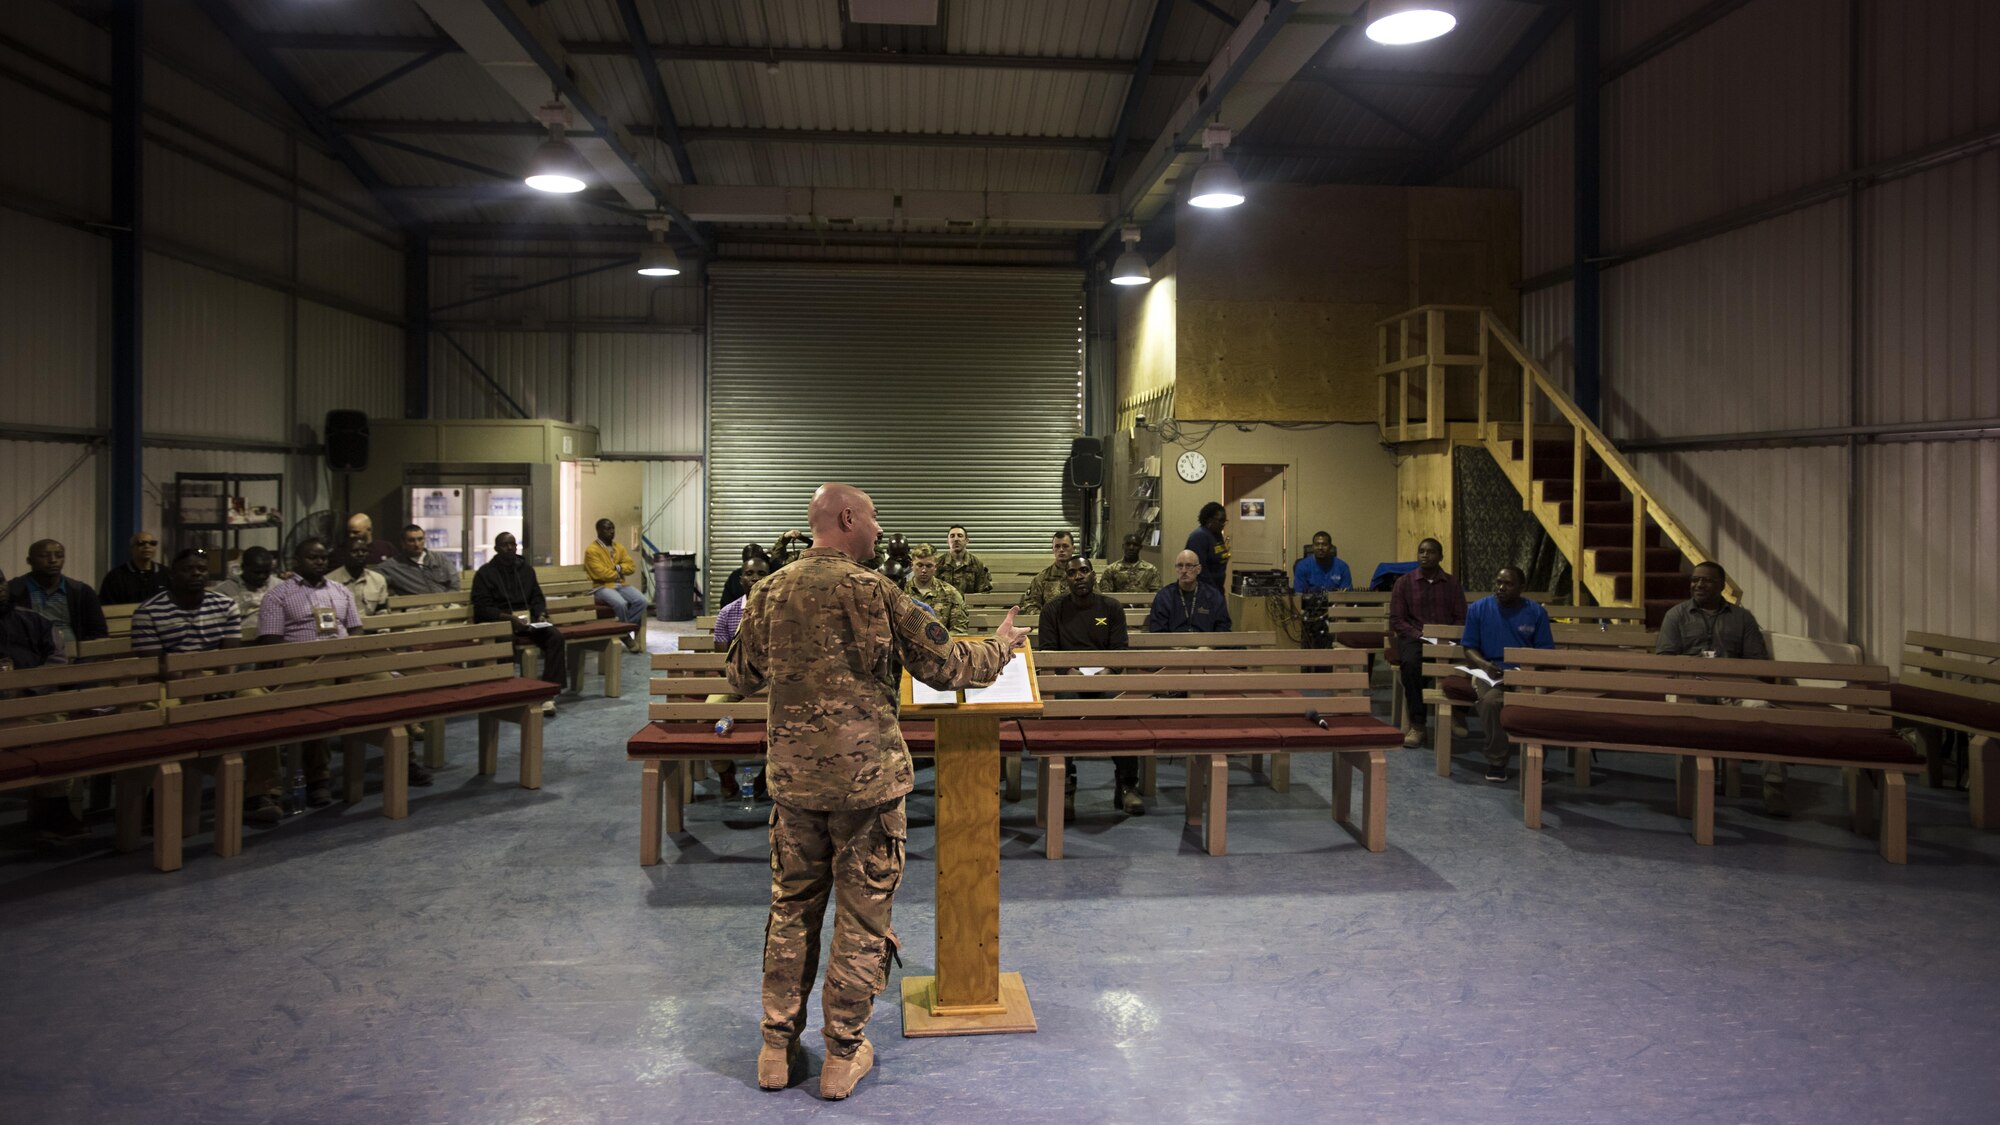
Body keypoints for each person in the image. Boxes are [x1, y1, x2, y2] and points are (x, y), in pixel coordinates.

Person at [727, 483, 1024, 1101]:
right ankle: (841, 1056)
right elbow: (947, 667)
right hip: (866, 791)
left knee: (791, 909)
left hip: (795, 786)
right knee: (862, 920)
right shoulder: (878, 593)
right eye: (874, 515)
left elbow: (740, 675)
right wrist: (1003, 645)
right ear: (847, 518)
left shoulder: (768, 590)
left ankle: (777, 1048)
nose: (879, 526)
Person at [257, 538, 431, 800]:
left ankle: (405, 762)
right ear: (296, 561)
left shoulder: (340, 591)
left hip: (345, 657)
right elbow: (271, 643)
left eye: (322, 558)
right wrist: (310, 659)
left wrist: (353, 654)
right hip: (304, 661)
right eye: (311, 558)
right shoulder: (278, 595)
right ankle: (319, 777)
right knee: (314, 700)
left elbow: (356, 631)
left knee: (390, 685)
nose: (319, 562)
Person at [132, 550, 285, 826]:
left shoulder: (225, 605)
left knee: (260, 703)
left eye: (202, 569)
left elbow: (229, 659)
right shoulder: (149, 611)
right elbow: (157, 666)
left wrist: (219, 685)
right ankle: (157, 795)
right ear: (172, 574)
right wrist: (199, 683)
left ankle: (260, 793)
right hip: (169, 686)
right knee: (157, 714)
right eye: (188, 569)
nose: (196, 574)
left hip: (217, 679)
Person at [1655, 560, 1784, 815]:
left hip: (1733, 686)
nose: (1699, 584)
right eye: (1695, 580)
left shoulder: (1742, 618)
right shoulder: (1676, 615)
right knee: (1687, 714)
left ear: (1721, 586)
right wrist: (1694, 667)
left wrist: (1729, 671)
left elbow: (1758, 662)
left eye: (1706, 580)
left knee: (1765, 710)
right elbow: (1665, 660)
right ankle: (1693, 785)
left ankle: (1775, 786)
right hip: (1690, 685)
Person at [1039, 556, 1139, 815]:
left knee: (1123, 707)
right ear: (1066, 579)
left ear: (1094, 575)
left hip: (1104, 677)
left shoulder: (1111, 608)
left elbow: (1119, 651)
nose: (1079, 576)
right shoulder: (1052, 610)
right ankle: (1066, 786)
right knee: (1064, 707)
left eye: (1084, 571)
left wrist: (1104, 674)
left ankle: (1127, 785)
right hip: (1068, 679)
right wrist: (1071, 673)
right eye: (1072, 573)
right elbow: (1049, 652)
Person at [1, 567, 85, 844]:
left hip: (32, 704)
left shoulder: (33, 620)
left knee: (55, 736)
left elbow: (57, 661)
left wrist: (29, 688)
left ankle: (54, 812)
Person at [1457, 566, 1556, 783]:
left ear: (1522, 587)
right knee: (1491, 702)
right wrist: (1485, 665)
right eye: (1499, 582)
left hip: (1525, 671)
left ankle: (1535, 763)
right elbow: (1469, 648)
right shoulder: (1478, 609)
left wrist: (1526, 671)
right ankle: (1497, 761)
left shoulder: (1536, 612)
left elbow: (1545, 652)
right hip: (1489, 671)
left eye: (1509, 584)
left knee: (1534, 703)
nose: (1501, 588)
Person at [472, 532, 566, 715]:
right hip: (501, 621)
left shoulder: (526, 570)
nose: (510, 548)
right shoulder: (485, 573)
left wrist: (540, 614)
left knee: (555, 636)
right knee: (504, 639)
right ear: (496, 548)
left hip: (527, 621)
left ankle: (549, 692)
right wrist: (509, 619)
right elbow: (482, 608)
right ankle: (507, 691)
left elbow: (537, 597)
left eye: (513, 544)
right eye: (505, 545)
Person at [1388, 537, 1466, 749]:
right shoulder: (1404, 583)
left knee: (1465, 662)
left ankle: (1457, 713)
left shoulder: (1452, 584)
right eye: (1421, 551)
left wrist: (1447, 636)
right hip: (1415, 638)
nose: (1425, 555)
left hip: (1446, 638)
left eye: (1430, 552)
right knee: (1412, 666)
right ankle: (1418, 725)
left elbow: (1461, 616)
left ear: (1440, 556)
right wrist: (1419, 635)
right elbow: (1397, 619)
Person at [708, 555, 772, 800]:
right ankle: (725, 772)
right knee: (708, 716)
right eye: (749, 573)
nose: (755, 578)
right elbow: (722, 661)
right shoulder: (728, 612)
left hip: (772, 681)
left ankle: (766, 775)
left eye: (762, 573)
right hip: (736, 681)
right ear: (740, 578)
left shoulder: (782, 609)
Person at [8, 539, 109, 649]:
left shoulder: (82, 591)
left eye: (59, 555)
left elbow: (99, 633)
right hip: (29, 657)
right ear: (29, 560)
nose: (53, 560)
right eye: (43, 556)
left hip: (76, 657)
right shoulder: (13, 590)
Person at [585, 519, 648, 651]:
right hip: (600, 587)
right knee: (621, 603)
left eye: (612, 528)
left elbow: (631, 567)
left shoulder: (618, 547)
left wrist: (617, 568)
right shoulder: (592, 550)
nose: (611, 531)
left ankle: (620, 632)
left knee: (641, 600)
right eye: (607, 529)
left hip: (619, 585)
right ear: (598, 531)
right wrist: (618, 573)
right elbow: (599, 574)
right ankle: (625, 636)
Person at [1145, 550, 1232, 633]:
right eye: (1180, 566)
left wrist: (1210, 647)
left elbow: (1223, 627)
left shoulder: (1213, 596)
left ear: (1199, 569)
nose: (1183, 571)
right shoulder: (1164, 597)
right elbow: (1157, 630)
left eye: (1189, 566)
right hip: (1172, 646)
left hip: (1206, 645)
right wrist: (1174, 647)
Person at [902, 545, 969, 634]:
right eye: (920, 565)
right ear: (911, 565)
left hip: (941, 644)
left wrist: (941, 642)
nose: (924, 570)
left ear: (935, 567)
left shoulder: (950, 593)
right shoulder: (901, 591)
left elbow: (959, 629)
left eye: (929, 566)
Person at [378, 524, 460, 597]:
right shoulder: (392, 566)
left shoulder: (440, 558)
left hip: (446, 604)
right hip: (417, 608)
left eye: (420, 539)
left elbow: (454, 585)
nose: (417, 544)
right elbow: (373, 579)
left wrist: (445, 603)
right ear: (403, 543)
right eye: (411, 541)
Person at [98, 530, 170, 605]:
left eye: (152, 543)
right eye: (141, 543)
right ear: (131, 549)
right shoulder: (115, 577)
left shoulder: (166, 573)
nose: (147, 546)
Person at [336, 524, 390, 616]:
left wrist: (383, 630)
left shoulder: (378, 580)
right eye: (354, 551)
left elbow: (382, 612)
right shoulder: (330, 581)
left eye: (364, 551)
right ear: (344, 555)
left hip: (372, 628)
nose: (360, 554)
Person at [215, 546, 283, 615]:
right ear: (243, 567)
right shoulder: (225, 590)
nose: (262, 576)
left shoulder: (279, 586)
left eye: (266, 572)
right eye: (257, 572)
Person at [1020, 530, 1076, 614]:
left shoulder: (1083, 576)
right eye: (1057, 546)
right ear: (1052, 549)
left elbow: (1095, 602)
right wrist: (1046, 619)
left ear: (1073, 549)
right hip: (1050, 624)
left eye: (1065, 546)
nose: (1061, 550)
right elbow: (1030, 605)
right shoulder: (1042, 578)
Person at [1185, 501, 1230, 594]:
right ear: (1209, 520)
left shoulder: (1217, 535)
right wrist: (1213, 593)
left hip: (1217, 589)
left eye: (1225, 521)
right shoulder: (1198, 537)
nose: (1223, 524)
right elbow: (1199, 571)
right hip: (1203, 591)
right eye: (1220, 520)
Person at [935, 525, 992, 595]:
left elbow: (984, 593)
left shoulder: (977, 564)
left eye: (960, 536)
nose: (956, 539)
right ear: (948, 541)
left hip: (969, 605)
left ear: (966, 541)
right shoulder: (938, 564)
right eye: (952, 536)